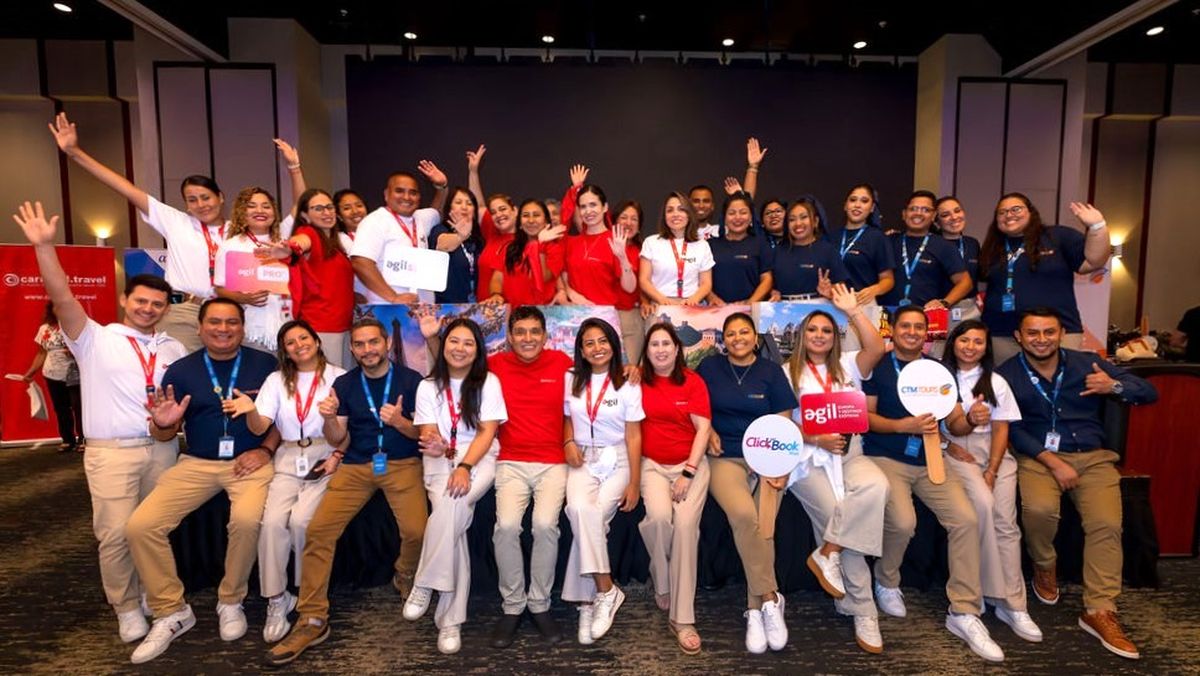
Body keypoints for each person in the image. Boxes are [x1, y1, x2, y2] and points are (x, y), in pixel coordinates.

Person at [14, 201, 187, 644]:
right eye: (141, 301)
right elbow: (62, 297)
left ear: (166, 309)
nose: (148, 309)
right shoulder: (95, 338)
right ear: (126, 301)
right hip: (112, 453)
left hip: (163, 448)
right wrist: (44, 247)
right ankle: (126, 607)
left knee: (153, 530)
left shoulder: (172, 350)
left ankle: (153, 595)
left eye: (157, 304)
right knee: (113, 536)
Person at [48, 112, 302, 351]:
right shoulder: (176, 222)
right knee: (183, 377)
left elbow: (300, 211)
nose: (201, 205)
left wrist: (294, 167)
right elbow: (126, 189)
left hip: (233, 312)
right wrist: (75, 152)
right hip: (186, 312)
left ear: (221, 197)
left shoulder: (244, 234)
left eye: (206, 197)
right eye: (192, 200)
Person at [996, 307, 1157, 660]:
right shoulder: (1006, 375)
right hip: (1038, 457)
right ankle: (1044, 564)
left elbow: (1147, 392)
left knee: (1106, 524)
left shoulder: (1087, 364)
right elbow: (1013, 429)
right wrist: (1051, 460)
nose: (1041, 340)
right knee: (1038, 510)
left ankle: (1100, 610)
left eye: (1049, 332)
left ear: (1061, 334)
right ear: (1019, 337)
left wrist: (1113, 385)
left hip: (1093, 456)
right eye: (1033, 333)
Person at [125, 298, 279, 664]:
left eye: (231, 323)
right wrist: (163, 423)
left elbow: (281, 421)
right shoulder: (180, 371)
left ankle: (231, 600)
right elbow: (165, 434)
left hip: (250, 462)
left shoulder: (265, 365)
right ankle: (171, 610)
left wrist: (266, 451)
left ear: (243, 328)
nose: (223, 329)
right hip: (197, 462)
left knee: (245, 520)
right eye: (214, 322)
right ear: (200, 327)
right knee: (140, 525)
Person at [266, 318, 427, 667]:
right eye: (360, 344)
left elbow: (422, 435)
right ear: (351, 349)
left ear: (386, 343)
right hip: (355, 466)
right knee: (319, 531)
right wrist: (327, 419)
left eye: (373, 342)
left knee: (416, 530)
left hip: (401, 463)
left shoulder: (411, 380)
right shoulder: (344, 383)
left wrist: (399, 422)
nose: (367, 349)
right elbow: (338, 439)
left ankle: (404, 571)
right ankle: (312, 618)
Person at [861, 304, 1003, 662]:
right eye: (905, 326)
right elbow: (865, 418)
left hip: (930, 459)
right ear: (892, 330)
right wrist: (899, 426)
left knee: (967, 520)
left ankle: (964, 611)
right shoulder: (878, 365)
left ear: (928, 333)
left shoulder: (939, 370)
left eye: (918, 327)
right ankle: (886, 580)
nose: (912, 332)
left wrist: (971, 419)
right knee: (904, 521)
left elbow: (954, 423)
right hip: (886, 455)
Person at [782, 283, 889, 654]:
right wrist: (814, 439)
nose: (819, 336)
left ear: (836, 336)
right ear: (801, 335)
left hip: (851, 454)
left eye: (827, 330)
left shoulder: (848, 365)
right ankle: (863, 610)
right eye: (813, 329)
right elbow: (780, 425)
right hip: (807, 460)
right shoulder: (786, 372)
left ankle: (827, 552)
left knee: (877, 487)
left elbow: (877, 348)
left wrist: (853, 310)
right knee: (839, 513)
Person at [228, 320, 345, 643]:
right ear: (285, 350)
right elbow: (259, 427)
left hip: (325, 452)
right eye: (290, 342)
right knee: (272, 523)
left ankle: (305, 593)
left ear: (317, 340)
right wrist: (250, 410)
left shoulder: (338, 377)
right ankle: (277, 599)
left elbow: (348, 429)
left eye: (304, 338)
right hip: (288, 455)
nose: (298, 345)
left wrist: (337, 452)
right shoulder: (276, 380)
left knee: (302, 521)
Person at [695, 312, 798, 654]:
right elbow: (697, 408)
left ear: (756, 337)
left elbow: (783, 422)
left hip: (768, 456)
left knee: (763, 524)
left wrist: (779, 462)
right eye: (731, 333)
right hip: (725, 456)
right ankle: (770, 597)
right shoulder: (710, 369)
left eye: (744, 332)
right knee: (744, 516)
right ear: (723, 340)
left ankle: (755, 609)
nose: (738, 338)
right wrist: (708, 431)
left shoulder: (772, 372)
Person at [403, 319, 507, 654]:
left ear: (478, 350)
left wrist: (464, 466)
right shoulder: (427, 386)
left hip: (478, 458)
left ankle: (424, 582)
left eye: (468, 343)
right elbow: (429, 433)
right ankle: (450, 622)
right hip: (438, 460)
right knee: (453, 522)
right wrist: (435, 445)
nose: (460, 349)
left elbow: (486, 433)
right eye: (454, 342)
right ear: (444, 345)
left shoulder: (488, 382)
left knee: (450, 506)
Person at [940, 320, 1043, 644]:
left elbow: (1002, 430)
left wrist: (993, 470)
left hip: (996, 456)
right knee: (982, 509)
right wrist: (954, 438)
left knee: (1006, 524)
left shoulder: (996, 381)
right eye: (964, 340)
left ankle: (1013, 604)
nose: (970, 347)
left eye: (978, 342)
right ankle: (984, 594)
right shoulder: (940, 377)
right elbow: (947, 427)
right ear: (953, 342)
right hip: (957, 453)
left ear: (987, 348)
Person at [485, 306, 573, 647]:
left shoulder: (562, 364)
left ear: (545, 336)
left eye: (534, 332)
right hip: (511, 462)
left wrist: (630, 370)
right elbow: (454, 370)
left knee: (545, 526)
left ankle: (539, 603)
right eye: (520, 332)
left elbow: (599, 377)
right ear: (509, 337)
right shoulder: (494, 366)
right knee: (506, 527)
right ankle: (513, 606)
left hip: (554, 462)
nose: (527, 338)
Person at [561, 319, 644, 645]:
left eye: (602, 341)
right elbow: (568, 419)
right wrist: (568, 442)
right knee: (578, 509)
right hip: (583, 457)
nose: (597, 348)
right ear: (581, 349)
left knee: (589, 517)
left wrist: (634, 482)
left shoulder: (627, 381)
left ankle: (586, 601)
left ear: (613, 343)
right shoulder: (571, 379)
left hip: (618, 457)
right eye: (589, 343)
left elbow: (635, 435)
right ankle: (606, 590)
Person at [638, 322, 712, 654]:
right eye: (654, 344)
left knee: (684, 528)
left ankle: (682, 619)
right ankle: (663, 578)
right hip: (652, 465)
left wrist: (688, 472)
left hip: (690, 466)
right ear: (647, 349)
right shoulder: (638, 381)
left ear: (677, 347)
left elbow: (703, 429)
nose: (661, 350)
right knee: (657, 521)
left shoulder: (693, 382)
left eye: (666, 343)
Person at [979, 195, 1111, 363]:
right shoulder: (992, 246)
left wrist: (1097, 227)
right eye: (1002, 212)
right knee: (1009, 386)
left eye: (1016, 209)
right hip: (1003, 335)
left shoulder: (1057, 236)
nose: (1009, 215)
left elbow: (1094, 262)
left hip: (1055, 333)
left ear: (1031, 212)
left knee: (1058, 385)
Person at [259, 189, 354, 367]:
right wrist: (290, 249)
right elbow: (299, 243)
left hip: (343, 325)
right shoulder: (309, 232)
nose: (327, 213)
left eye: (329, 207)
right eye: (318, 209)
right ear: (305, 215)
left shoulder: (336, 243)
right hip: (322, 327)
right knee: (326, 386)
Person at [350, 165, 449, 305]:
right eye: (399, 191)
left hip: (423, 311)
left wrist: (441, 187)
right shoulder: (375, 221)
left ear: (419, 197)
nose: (407, 197)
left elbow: (437, 211)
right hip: (388, 309)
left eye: (413, 193)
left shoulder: (421, 218)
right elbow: (360, 262)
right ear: (386, 194)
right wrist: (393, 297)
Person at [213, 187, 294, 352]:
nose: (260, 210)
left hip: (288, 325)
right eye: (252, 206)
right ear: (242, 212)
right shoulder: (230, 246)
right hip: (250, 331)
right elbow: (220, 290)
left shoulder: (286, 244)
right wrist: (244, 298)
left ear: (274, 212)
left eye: (266, 206)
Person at [879, 191, 972, 312]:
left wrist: (944, 302)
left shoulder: (944, 246)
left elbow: (965, 282)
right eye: (913, 209)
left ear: (933, 216)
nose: (918, 213)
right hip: (885, 315)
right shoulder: (888, 242)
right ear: (904, 214)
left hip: (925, 317)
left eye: (925, 210)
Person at [23, 301, 83, 451]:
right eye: (57, 307)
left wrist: (75, 352)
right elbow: (42, 352)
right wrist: (31, 371)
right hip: (52, 374)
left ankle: (83, 439)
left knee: (79, 407)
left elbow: (89, 350)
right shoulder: (44, 329)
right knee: (61, 408)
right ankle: (68, 440)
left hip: (75, 374)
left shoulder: (78, 326)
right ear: (52, 310)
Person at [639, 192, 715, 307]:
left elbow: (706, 283)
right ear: (664, 216)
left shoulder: (702, 245)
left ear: (689, 214)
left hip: (692, 306)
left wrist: (693, 300)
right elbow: (644, 280)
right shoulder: (651, 242)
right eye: (670, 210)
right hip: (661, 304)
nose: (675, 214)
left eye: (681, 209)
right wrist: (662, 300)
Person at [823, 184, 895, 306]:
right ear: (845, 205)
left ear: (872, 208)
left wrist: (874, 290)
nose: (857, 205)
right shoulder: (830, 237)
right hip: (832, 303)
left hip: (863, 302)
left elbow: (888, 280)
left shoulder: (878, 238)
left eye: (864, 201)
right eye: (853, 200)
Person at [489, 199, 567, 306]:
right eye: (525, 215)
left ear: (546, 222)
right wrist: (496, 294)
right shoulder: (509, 247)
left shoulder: (555, 249)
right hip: (512, 314)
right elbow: (498, 277)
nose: (531, 220)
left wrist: (540, 245)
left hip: (539, 314)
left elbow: (543, 277)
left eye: (536, 215)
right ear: (520, 223)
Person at [770, 198, 849, 300]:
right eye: (792, 219)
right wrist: (773, 292)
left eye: (803, 217)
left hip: (818, 310)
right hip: (784, 311)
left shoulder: (828, 251)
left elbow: (842, 291)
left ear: (815, 221)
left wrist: (830, 293)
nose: (798, 223)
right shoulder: (778, 251)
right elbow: (770, 284)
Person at [709, 193, 774, 305]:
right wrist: (712, 299)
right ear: (724, 217)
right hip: (716, 310)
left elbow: (767, 279)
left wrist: (750, 303)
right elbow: (702, 280)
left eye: (743, 212)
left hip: (751, 310)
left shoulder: (760, 243)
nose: (737, 217)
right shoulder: (710, 245)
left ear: (751, 217)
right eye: (732, 213)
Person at [429, 187, 484, 304]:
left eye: (469, 203)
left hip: (474, 305)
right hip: (447, 305)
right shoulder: (440, 229)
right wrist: (460, 237)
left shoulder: (477, 238)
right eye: (458, 202)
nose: (464, 207)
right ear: (449, 207)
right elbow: (443, 245)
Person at [935, 196, 982, 325]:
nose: (954, 217)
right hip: (939, 308)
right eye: (945, 215)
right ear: (936, 222)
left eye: (957, 211)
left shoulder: (973, 243)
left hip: (969, 310)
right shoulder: (932, 244)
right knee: (938, 345)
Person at [334, 189, 370, 305]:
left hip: (387, 299)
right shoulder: (338, 241)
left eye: (359, 205)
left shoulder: (383, 235)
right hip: (357, 303)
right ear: (338, 216)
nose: (355, 211)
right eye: (347, 208)